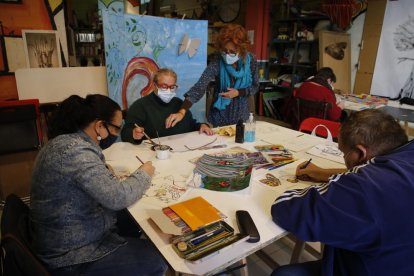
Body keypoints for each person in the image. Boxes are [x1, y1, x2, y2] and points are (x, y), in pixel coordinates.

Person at [30, 94, 167, 276]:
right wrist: (144, 173)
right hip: (71, 256)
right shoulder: (75, 152)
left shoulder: (66, 143)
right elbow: (118, 197)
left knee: (130, 219)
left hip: (65, 236)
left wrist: (101, 169)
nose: (117, 134)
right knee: (158, 258)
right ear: (99, 126)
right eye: (116, 128)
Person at [271, 109, 414, 276]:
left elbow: (286, 208)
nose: (343, 158)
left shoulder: (365, 189)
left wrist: (337, 184)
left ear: (361, 153)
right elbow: (375, 170)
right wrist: (322, 173)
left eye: (343, 153)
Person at [166, 23, 259, 128]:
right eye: (225, 51)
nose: (227, 55)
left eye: (232, 52)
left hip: (241, 113)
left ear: (241, 49)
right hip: (219, 114)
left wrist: (238, 92)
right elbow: (200, 86)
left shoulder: (251, 61)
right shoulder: (217, 61)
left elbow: (255, 86)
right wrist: (182, 111)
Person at [121, 68, 214, 144]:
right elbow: (125, 133)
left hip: (183, 149)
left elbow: (191, 125)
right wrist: (133, 133)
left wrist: (202, 126)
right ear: (154, 86)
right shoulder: (140, 106)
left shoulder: (179, 103)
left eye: (172, 87)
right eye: (164, 87)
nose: (169, 90)